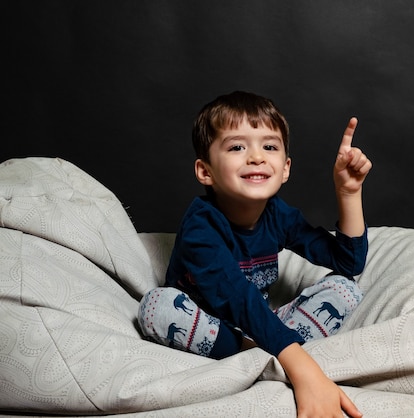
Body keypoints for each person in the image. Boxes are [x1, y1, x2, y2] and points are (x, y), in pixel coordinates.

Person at [138, 91, 372, 417]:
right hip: (210, 328)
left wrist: (349, 192)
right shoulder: (200, 227)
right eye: (237, 147)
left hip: (262, 325)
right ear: (205, 171)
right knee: (156, 307)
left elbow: (349, 262)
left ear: (285, 167)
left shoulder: (278, 215)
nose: (257, 157)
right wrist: (301, 365)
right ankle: (267, 356)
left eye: (270, 146)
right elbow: (236, 297)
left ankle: (268, 350)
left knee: (346, 287)